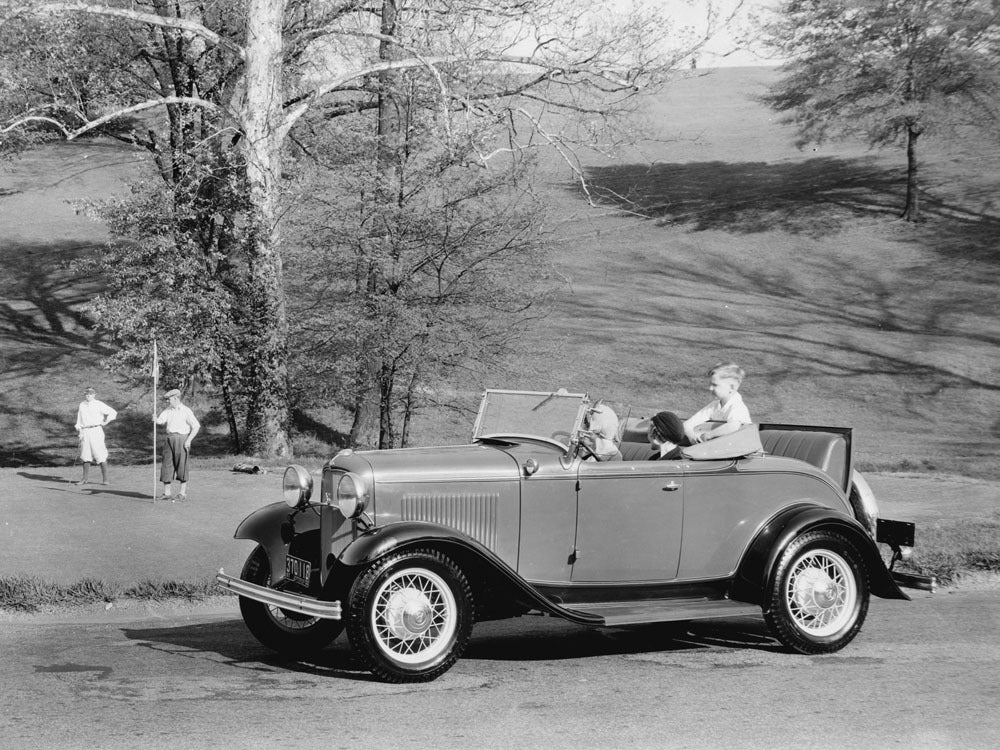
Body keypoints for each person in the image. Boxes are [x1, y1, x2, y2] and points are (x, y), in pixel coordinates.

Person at [640, 363, 752, 458]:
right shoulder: (714, 406)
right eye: (710, 384)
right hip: (718, 451)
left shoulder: (737, 406)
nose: (710, 388)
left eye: (715, 385)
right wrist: (693, 437)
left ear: (732, 387)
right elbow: (688, 424)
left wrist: (709, 435)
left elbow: (733, 426)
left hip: (740, 454)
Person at [154, 388, 200, 501]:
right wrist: (155, 419)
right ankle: (167, 493)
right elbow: (161, 420)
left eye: (169, 399)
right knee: (167, 465)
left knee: (181, 465)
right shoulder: (168, 410)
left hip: (182, 439)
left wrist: (189, 440)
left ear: (175, 398)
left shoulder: (186, 411)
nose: (167, 401)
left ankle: (182, 493)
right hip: (169, 438)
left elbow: (196, 426)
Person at [74, 387, 117, 485]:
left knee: (100, 453)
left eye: (90, 394)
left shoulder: (98, 404)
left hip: (96, 430)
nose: (88, 395)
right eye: (86, 394)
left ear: (94, 394)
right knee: (85, 454)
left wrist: (106, 421)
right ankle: (84, 479)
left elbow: (113, 412)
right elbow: (79, 420)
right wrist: (79, 429)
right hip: (85, 431)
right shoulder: (82, 405)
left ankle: (105, 479)